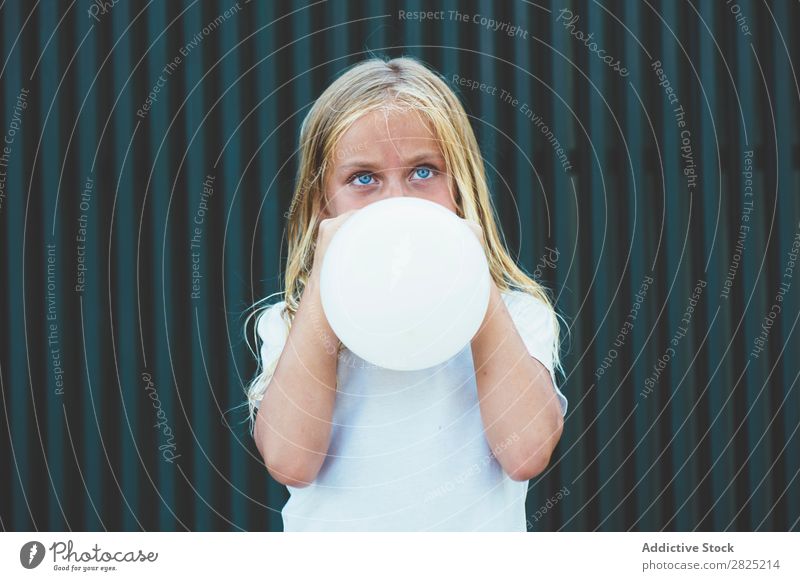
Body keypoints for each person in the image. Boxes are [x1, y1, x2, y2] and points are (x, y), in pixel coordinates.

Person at [244, 55, 568, 531]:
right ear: (321, 205)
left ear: (461, 187)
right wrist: (323, 280)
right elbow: (292, 462)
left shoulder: (517, 315)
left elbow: (526, 454)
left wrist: (470, 274)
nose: (396, 201)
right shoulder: (294, 321)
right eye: (363, 179)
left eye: (423, 172)